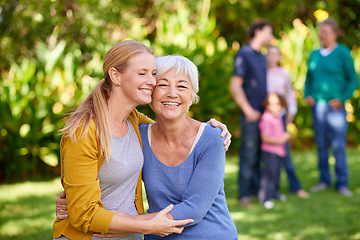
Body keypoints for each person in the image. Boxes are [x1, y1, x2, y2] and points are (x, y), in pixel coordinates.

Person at [53, 41, 231, 240]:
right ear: (115, 76)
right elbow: (83, 213)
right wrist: (144, 224)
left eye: (153, 74)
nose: (152, 81)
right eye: (143, 73)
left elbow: (172, 124)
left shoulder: (135, 123)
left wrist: (210, 129)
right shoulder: (86, 131)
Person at [305, 18, 359, 197]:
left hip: (335, 107)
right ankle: (324, 180)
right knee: (321, 145)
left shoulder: (343, 53)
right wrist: (308, 94)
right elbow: (309, 78)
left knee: (338, 145)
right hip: (318, 107)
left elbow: (353, 79)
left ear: (335, 34)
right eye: (320, 32)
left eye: (325, 32)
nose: (321, 35)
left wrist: (342, 98)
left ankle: (342, 182)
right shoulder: (314, 54)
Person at [230, 19, 274, 207]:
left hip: (264, 115)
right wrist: (248, 110)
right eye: (269, 32)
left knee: (258, 154)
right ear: (258, 31)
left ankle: (257, 190)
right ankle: (244, 195)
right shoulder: (244, 54)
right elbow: (235, 85)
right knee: (248, 153)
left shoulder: (261, 56)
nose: (271, 37)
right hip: (251, 114)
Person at [266, 45, 309, 198]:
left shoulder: (284, 73)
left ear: (279, 57)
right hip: (265, 118)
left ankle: (295, 187)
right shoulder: (261, 73)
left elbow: (289, 93)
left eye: (275, 54)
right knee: (266, 154)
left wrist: (292, 111)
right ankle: (266, 189)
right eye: (269, 54)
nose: (271, 57)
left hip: (281, 117)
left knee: (285, 152)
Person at [258, 93, 291, 209]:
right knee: (269, 175)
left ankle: (274, 194)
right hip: (270, 152)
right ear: (266, 105)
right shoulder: (267, 118)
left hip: (279, 152)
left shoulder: (278, 117)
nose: (274, 107)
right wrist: (282, 139)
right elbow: (265, 138)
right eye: (271, 104)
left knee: (276, 174)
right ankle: (265, 198)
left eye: (277, 104)